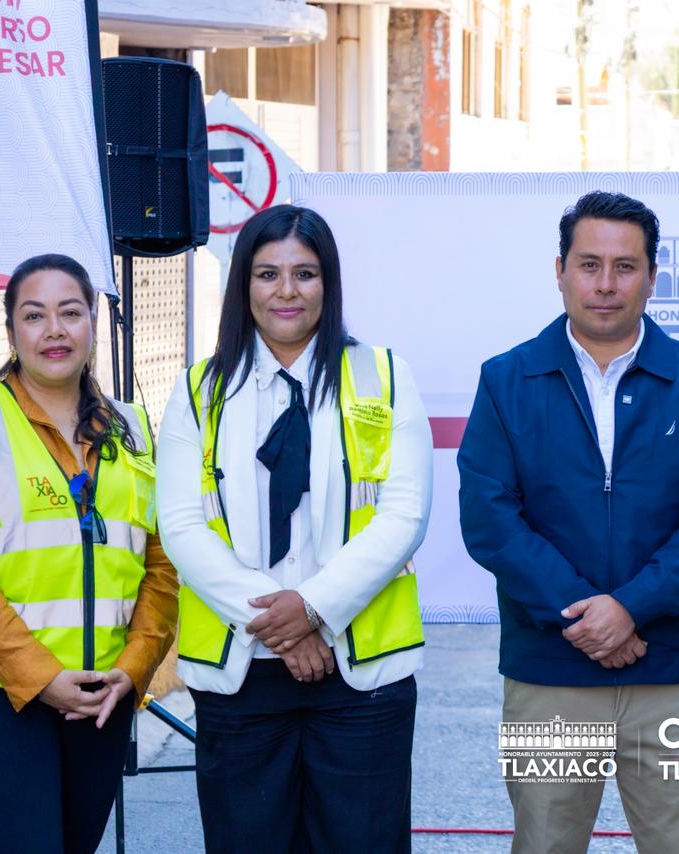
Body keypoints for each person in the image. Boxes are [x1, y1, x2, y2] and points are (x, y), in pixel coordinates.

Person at [457, 190, 679, 853]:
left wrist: (632, 609)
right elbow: (491, 520)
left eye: (625, 267)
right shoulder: (507, 379)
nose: (606, 285)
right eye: (589, 264)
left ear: (652, 274)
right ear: (559, 269)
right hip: (550, 677)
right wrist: (588, 618)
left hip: (671, 678)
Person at [156, 205, 433, 853]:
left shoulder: (384, 377)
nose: (286, 291)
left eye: (305, 274)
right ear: (243, 286)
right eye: (267, 273)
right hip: (243, 674)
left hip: (362, 679)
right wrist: (283, 629)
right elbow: (181, 524)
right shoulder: (199, 391)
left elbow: (405, 513)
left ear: (329, 284)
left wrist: (313, 608)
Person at [0, 254, 177, 853]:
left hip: (103, 697)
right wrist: (41, 678)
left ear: (94, 322)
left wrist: (133, 669)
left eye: (70, 312)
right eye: (34, 315)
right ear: (11, 330)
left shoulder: (132, 427)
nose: (54, 330)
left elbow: (161, 564)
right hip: (8, 698)